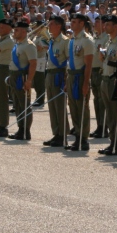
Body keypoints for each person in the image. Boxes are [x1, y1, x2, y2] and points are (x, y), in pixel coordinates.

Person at [65, 12, 95, 151]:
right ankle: (77, 134)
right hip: (72, 75)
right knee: (73, 107)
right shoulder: (73, 39)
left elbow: (88, 64)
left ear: (82, 24)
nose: (72, 23)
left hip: (81, 76)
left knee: (82, 108)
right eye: (72, 21)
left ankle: (83, 138)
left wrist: (85, 83)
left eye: (75, 21)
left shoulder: (86, 40)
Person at [99, 16, 117, 157]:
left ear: (116, 26)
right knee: (110, 113)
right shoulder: (110, 41)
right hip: (106, 79)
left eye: (108, 25)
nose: (105, 27)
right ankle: (113, 141)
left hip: (115, 81)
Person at [42, 15, 70, 147]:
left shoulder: (65, 41)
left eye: (52, 24)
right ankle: (56, 133)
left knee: (60, 106)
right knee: (52, 106)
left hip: (59, 75)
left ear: (59, 26)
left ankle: (63, 133)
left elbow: (69, 61)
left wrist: (66, 79)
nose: (49, 26)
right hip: (50, 74)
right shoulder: (52, 41)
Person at [8, 20, 38, 140]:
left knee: (24, 104)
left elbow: (33, 63)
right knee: (17, 104)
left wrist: (29, 80)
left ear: (24, 31)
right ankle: (20, 128)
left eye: (17, 30)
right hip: (14, 76)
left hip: (22, 77)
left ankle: (26, 130)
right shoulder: (18, 45)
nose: (14, 32)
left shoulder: (29, 45)